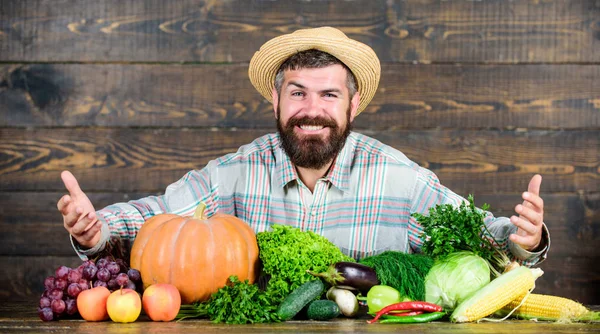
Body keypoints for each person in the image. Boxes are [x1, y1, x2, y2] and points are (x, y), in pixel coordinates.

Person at [58, 27, 548, 263]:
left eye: (329, 94)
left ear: (353, 106)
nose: (311, 110)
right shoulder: (233, 173)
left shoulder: (400, 179)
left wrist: (520, 240)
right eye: (298, 93)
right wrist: (94, 229)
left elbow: (478, 232)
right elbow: (160, 216)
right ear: (276, 99)